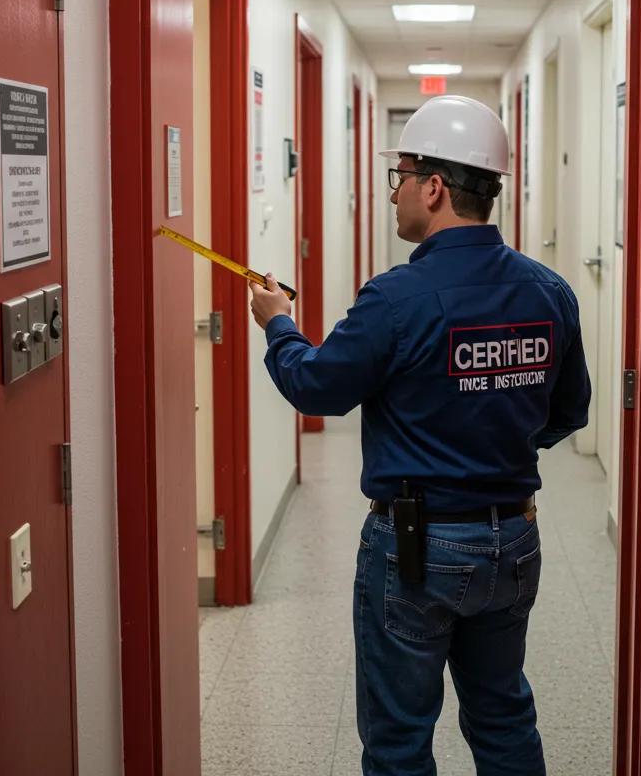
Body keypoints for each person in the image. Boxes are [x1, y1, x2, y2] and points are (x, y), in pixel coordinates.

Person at [249, 94, 591, 776]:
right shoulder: (548, 290)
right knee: (502, 716)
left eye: (399, 178)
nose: (394, 195)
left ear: (433, 187)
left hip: (417, 550)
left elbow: (317, 387)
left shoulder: (396, 297)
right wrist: (499, 439)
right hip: (512, 542)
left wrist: (277, 323)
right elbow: (569, 411)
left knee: (400, 737)